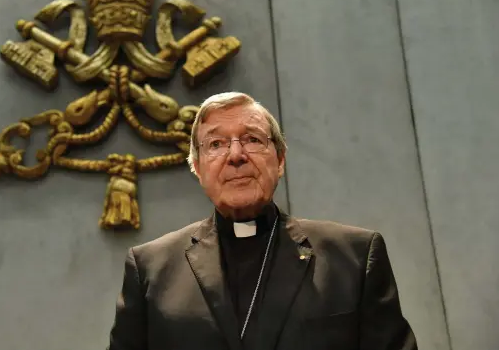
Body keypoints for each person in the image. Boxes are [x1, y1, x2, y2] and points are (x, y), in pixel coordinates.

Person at [107, 92, 417, 350]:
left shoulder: (353, 257)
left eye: (252, 139)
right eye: (216, 144)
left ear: (280, 160)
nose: (236, 155)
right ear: (197, 169)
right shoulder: (150, 269)